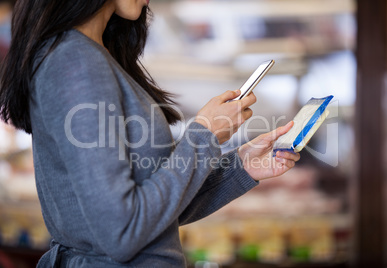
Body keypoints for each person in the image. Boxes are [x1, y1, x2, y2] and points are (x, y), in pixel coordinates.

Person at [0, 0, 300, 267]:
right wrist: (204, 133)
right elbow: (122, 231)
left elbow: (156, 215)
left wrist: (242, 165)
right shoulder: (77, 62)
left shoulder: (89, 53)